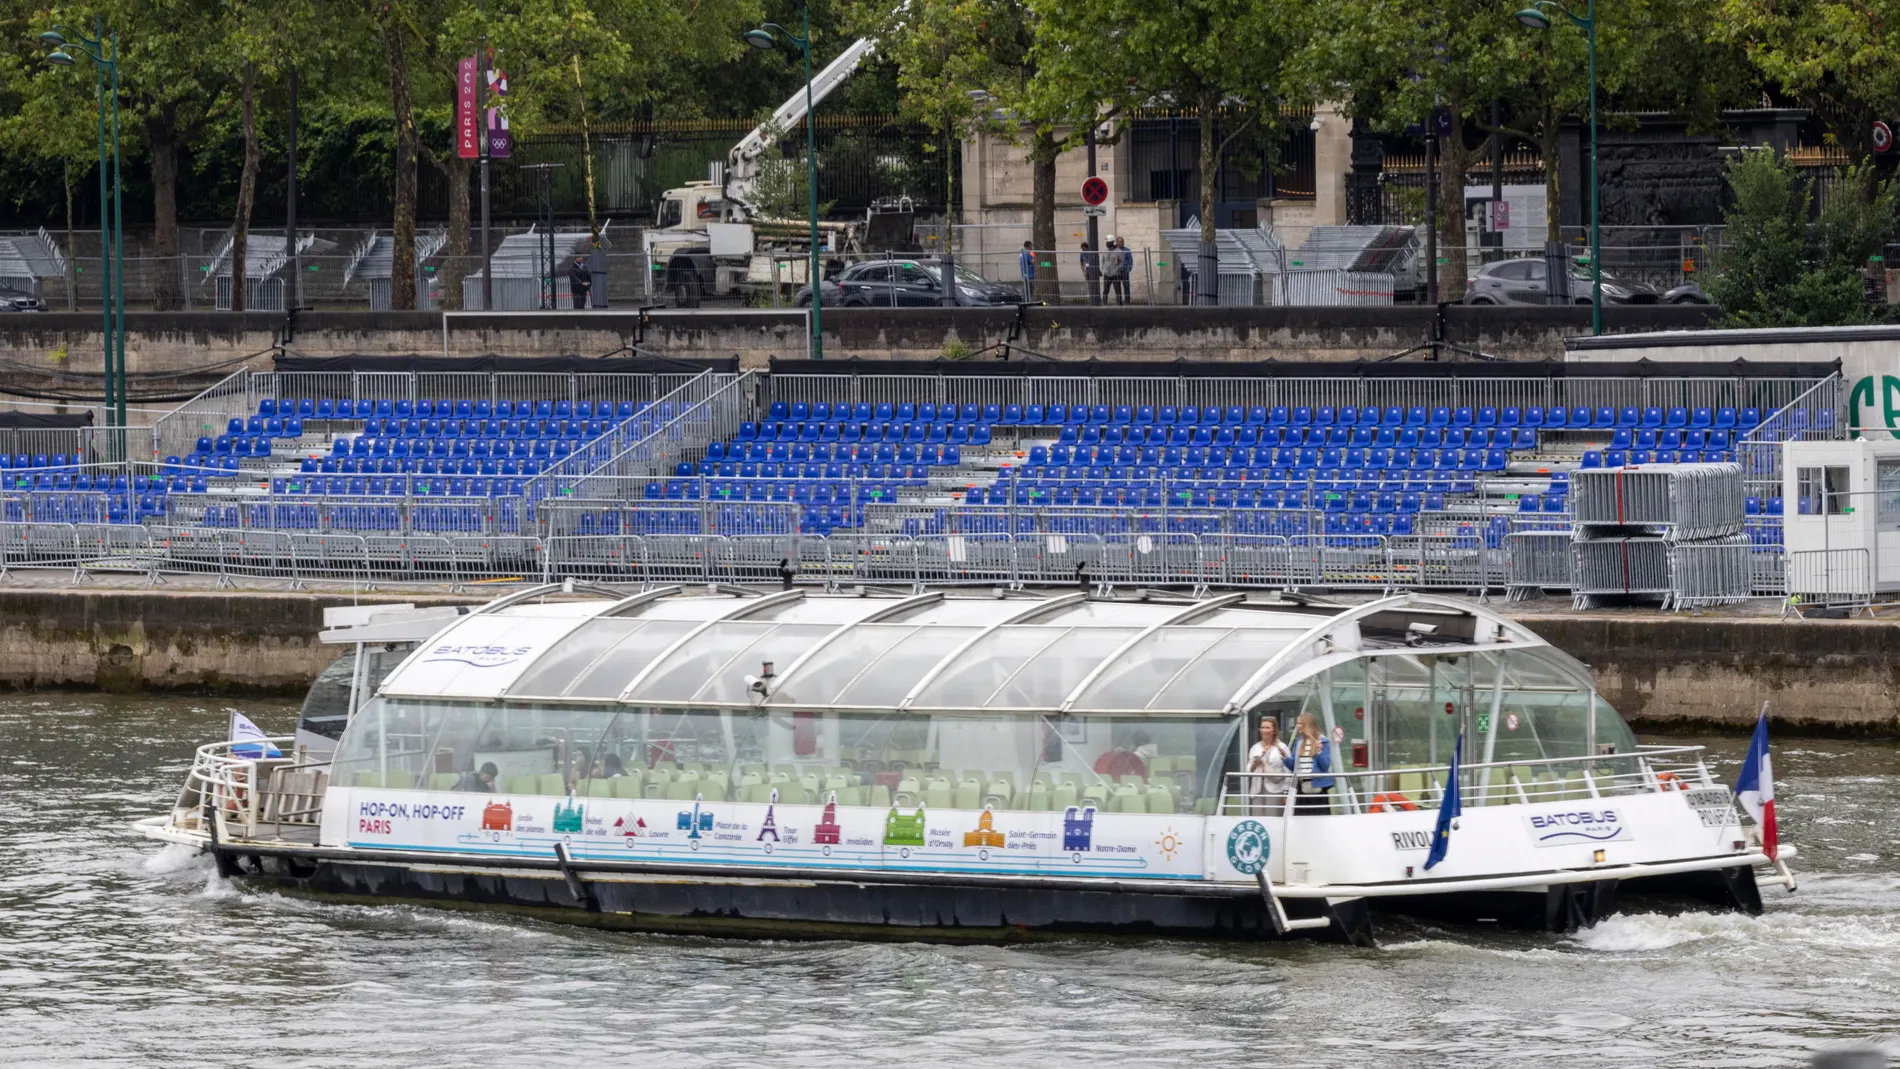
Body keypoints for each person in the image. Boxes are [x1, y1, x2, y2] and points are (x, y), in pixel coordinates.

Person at [1246, 716, 1293, 815]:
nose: (1264, 730)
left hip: (1275, 790)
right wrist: (1255, 762)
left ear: (1274, 730)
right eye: (1262, 727)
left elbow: (1288, 772)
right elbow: (1248, 770)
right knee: (1258, 819)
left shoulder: (1282, 747)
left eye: (1267, 728)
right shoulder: (1255, 747)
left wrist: (1286, 793)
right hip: (1257, 790)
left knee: (1273, 819)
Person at [1291, 712, 1334, 814]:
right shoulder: (1299, 742)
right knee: (1301, 819)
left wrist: (1319, 751)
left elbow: (1325, 766)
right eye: (1297, 723)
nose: (1297, 726)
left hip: (1317, 787)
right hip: (1301, 788)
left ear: (1307, 725)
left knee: (1318, 818)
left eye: (1300, 723)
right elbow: (1293, 765)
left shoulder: (1323, 741)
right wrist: (1284, 758)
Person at [1109, 237, 1133, 305]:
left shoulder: (1127, 250)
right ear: (1117, 242)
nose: (1121, 243)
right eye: (1120, 241)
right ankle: (1119, 302)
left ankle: (1127, 302)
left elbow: (1130, 260)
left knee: (1126, 286)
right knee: (1117, 287)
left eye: (1122, 241)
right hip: (1117, 272)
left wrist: (1128, 269)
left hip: (1125, 271)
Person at [1080, 240, 1102, 305]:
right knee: (1090, 286)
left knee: (1096, 285)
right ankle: (1091, 299)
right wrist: (1083, 271)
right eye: (1083, 249)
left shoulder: (1091, 252)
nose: (1084, 250)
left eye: (1085, 249)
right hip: (1087, 271)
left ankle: (1098, 299)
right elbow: (1081, 263)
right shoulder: (1082, 254)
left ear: (1087, 248)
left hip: (1094, 270)